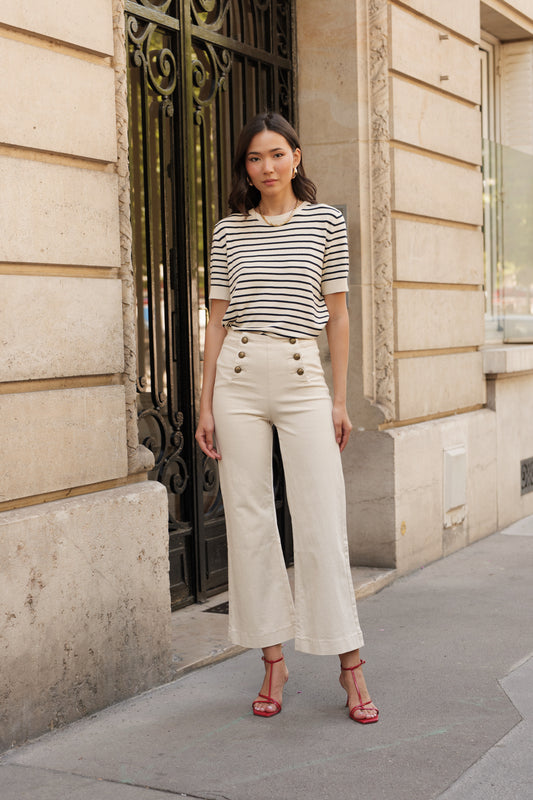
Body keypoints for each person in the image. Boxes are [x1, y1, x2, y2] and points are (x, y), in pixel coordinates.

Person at [195, 111, 378, 724]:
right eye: (254, 158)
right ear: (245, 168)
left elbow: (340, 314)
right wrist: (204, 401)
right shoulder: (228, 232)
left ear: (296, 157)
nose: (266, 167)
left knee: (322, 518)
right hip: (238, 379)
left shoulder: (327, 222)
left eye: (276, 154)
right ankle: (273, 658)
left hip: (303, 376)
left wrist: (340, 398)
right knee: (249, 520)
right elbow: (216, 320)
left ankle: (350, 666)